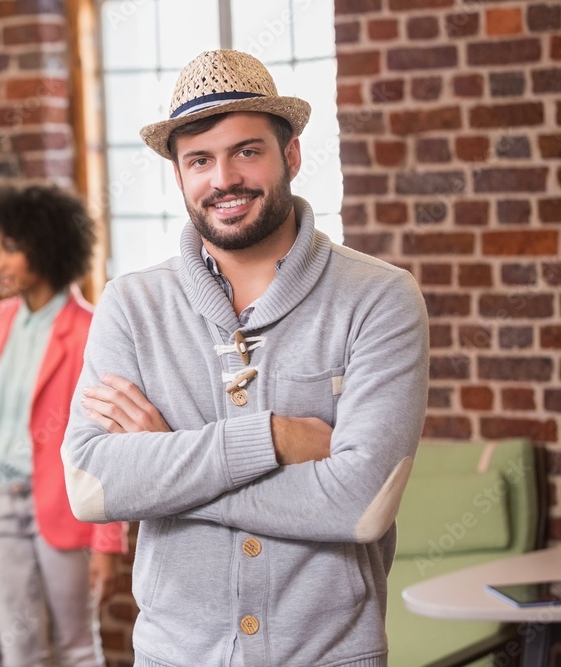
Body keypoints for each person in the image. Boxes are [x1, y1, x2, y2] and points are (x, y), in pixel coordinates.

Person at [61, 50, 430, 667]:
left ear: (291, 156)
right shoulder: (131, 304)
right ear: (179, 176)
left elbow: (359, 506)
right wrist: (271, 439)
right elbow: (93, 485)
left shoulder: (380, 298)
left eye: (246, 151)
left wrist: (165, 466)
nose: (223, 178)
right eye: (199, 160)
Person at [0, 184, 127, 667]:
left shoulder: (90, 328)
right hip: (2, 505)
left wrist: (106, 542)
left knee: (79, 649)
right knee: (19, 653)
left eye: (11, 249)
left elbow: (112, 439)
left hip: (64, 508)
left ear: (48, 246)